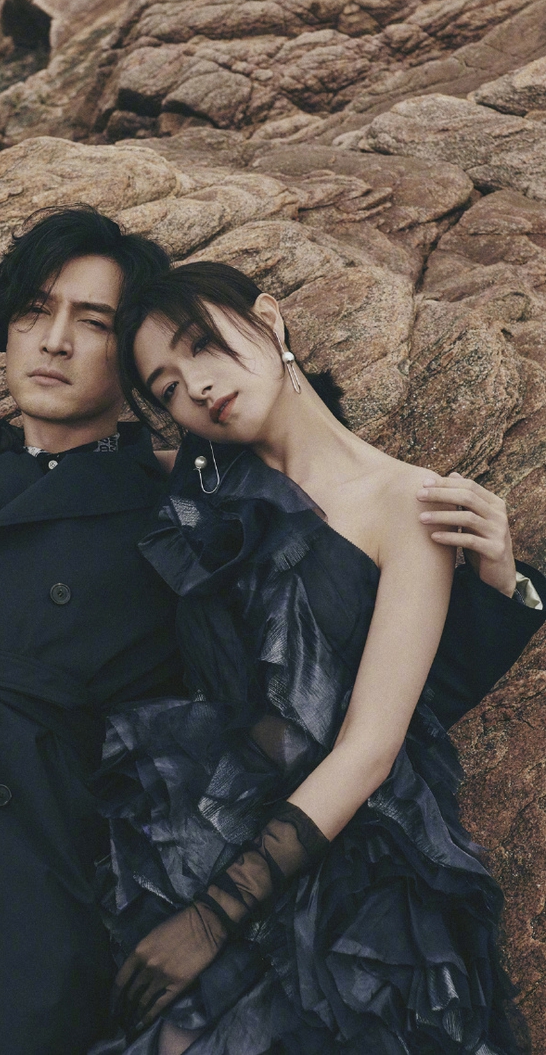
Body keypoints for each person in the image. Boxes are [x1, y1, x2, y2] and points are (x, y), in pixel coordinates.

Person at [0, 207, 542, 1055]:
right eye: (32, 316)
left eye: (93, 326)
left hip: (11, 883)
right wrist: (10, 365)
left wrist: (503, 586)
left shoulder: (176, 508)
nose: (54, 342)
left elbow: (339, 693)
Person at [89, 260, 544, 1054]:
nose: (196, 386)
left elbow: (375, 745)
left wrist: (216, 915)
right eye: (167, 389)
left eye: (202, 344)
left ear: (271, 319)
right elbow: (82, 459)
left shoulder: (410, 504)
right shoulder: (201, 490)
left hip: (350, 884)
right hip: (205, 833)